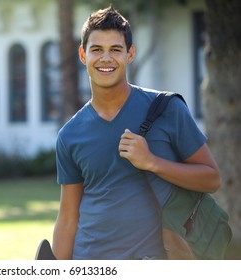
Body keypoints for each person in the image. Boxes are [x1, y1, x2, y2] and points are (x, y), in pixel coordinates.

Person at [52, 5, 221, 260]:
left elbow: (211, 179)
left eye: (116, 49)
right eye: (96, 49)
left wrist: (152, 162)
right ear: (83, 55)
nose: (106, 58)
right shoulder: (70, 134)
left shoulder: (167, 109)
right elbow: (67, 218)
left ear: (130, 54)